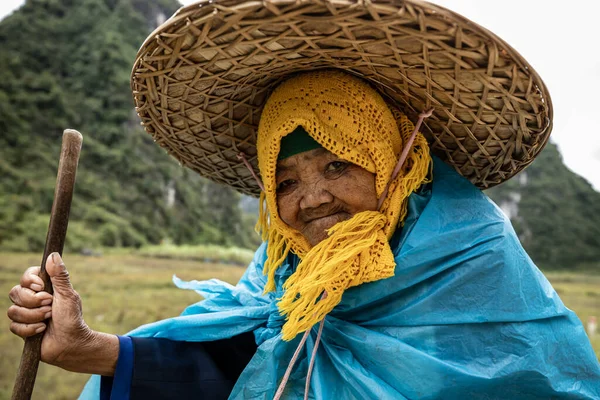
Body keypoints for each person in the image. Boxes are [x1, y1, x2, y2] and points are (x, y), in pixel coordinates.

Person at [7, 1, 600, 399]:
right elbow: (243, 363)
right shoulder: (283, 268)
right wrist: (94, 349)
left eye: (339, 163)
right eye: (285, 181)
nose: (311, 199)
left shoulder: (471, 258)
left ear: (397, 161)